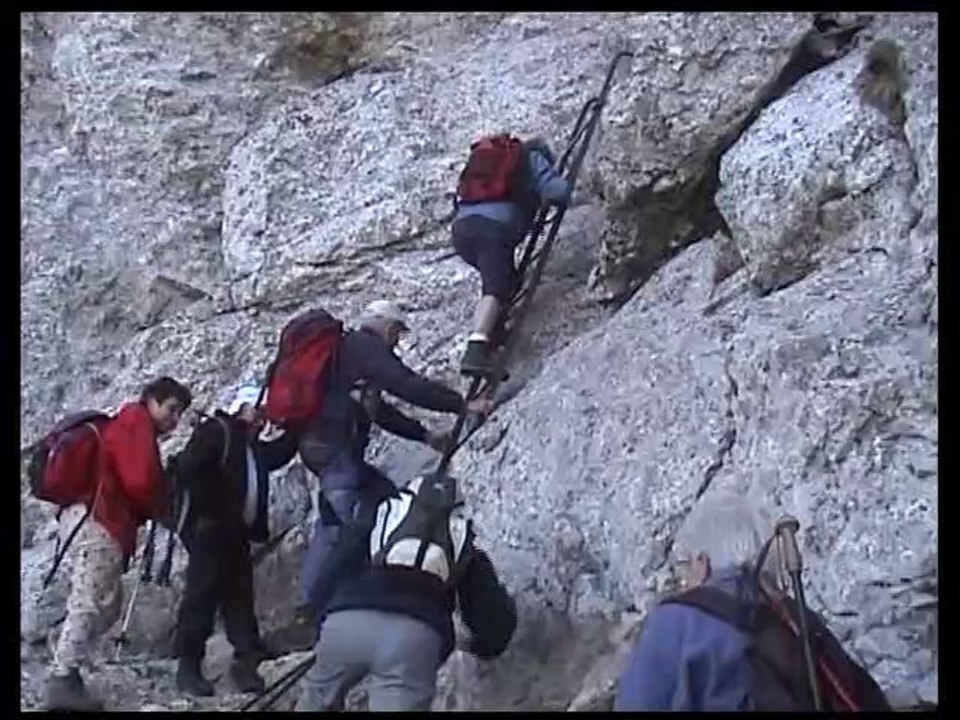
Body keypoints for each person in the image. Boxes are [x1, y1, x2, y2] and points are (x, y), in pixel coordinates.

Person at [295, 299, 492, 618]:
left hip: (324, 450)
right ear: (386, 326)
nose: (398, 341)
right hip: (335, 453)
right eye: (397, 333)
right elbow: (405, 384)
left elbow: (379, 412)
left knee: (379, 507)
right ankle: (317, 608)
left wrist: (424, 436)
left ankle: (309, 599)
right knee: (364, 525)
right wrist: (461, 404)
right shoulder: (364, 346)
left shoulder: (350, 356)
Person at [614, 494, 890, 712]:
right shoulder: (798, 621)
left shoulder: (675, 622)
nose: (684, 580)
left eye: (685, 566)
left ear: (702, 563)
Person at [294, 472, 517, 712]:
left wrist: (319, 620)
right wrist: (478, 647)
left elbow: (331, 567)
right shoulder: (465, 549)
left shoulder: (379, 521)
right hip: (415, 636)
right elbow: (493, 626)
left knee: (314, 703)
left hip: (348, 621)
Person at [45, 377, 193, 711]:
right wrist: (160, 502)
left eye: (179, 413)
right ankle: (62, 679)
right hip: (98, 519)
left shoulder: (130, 425)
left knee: (107, 603)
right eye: (171, 409)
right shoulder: (134, 421)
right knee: (91, 600)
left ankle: (66, 656)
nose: (174, 419)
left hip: (92, 518)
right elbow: (140, 479)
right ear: (151, 400)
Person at [170, 385, 300, 697]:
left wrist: (294, 426)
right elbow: (187, 469)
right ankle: (189, 666)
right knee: (202, 595)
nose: (262, 416)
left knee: (239, 596)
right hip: (210, 528)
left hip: (234, 532)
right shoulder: (218, 432)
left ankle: (247, 660)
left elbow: (278, 454)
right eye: (259, 408)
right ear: (242, 407)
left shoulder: (249, 446)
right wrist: (211, 504)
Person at [452, 134, 572, 377]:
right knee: (495, 288)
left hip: (462, 231)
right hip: (493, 229)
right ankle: (475, 349)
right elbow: (555, 190)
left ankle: (492, 332)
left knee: (506, 282)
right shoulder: (533, 158)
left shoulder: (485, 169)